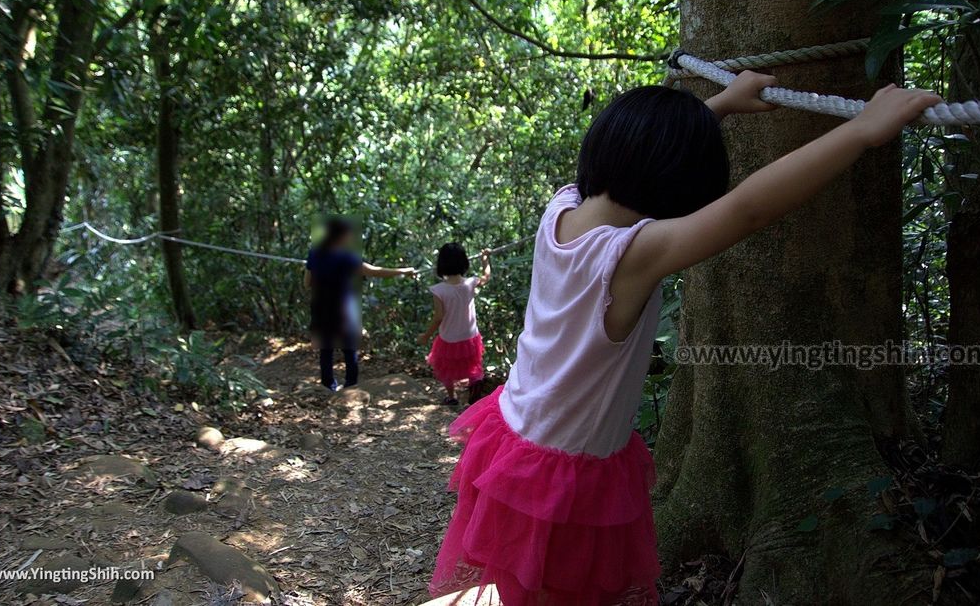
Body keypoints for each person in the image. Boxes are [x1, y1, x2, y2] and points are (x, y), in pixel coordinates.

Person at [429, 76, 941, 605]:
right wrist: (862, 131)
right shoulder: (632, 255)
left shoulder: (561, 208)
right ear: (678, 192)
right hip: (564, 469)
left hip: (515, 435)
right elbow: (747, 210)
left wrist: (717, 107)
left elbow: (647, 154)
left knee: (527, 586)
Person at [303, 217, 415, 391]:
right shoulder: (347, 257)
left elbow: (307, 282)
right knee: (349, 347)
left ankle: (328, 385)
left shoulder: (315, 253)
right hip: (343, 305)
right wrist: (403, 271)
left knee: (326, 348)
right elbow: (374, 272)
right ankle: (350, 386)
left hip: (321, 304)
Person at [418, 243, 492, 406]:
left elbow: (438, 317)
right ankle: (475, 390)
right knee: (473, 363)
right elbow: (486, 277)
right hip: (469, 335)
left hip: (449, 337)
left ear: (441, 264)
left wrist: (426, 335)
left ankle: (452, 397)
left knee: (445, 367)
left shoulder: (439, 290)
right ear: (464, 262)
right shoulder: (471, 282)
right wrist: (485, 259)